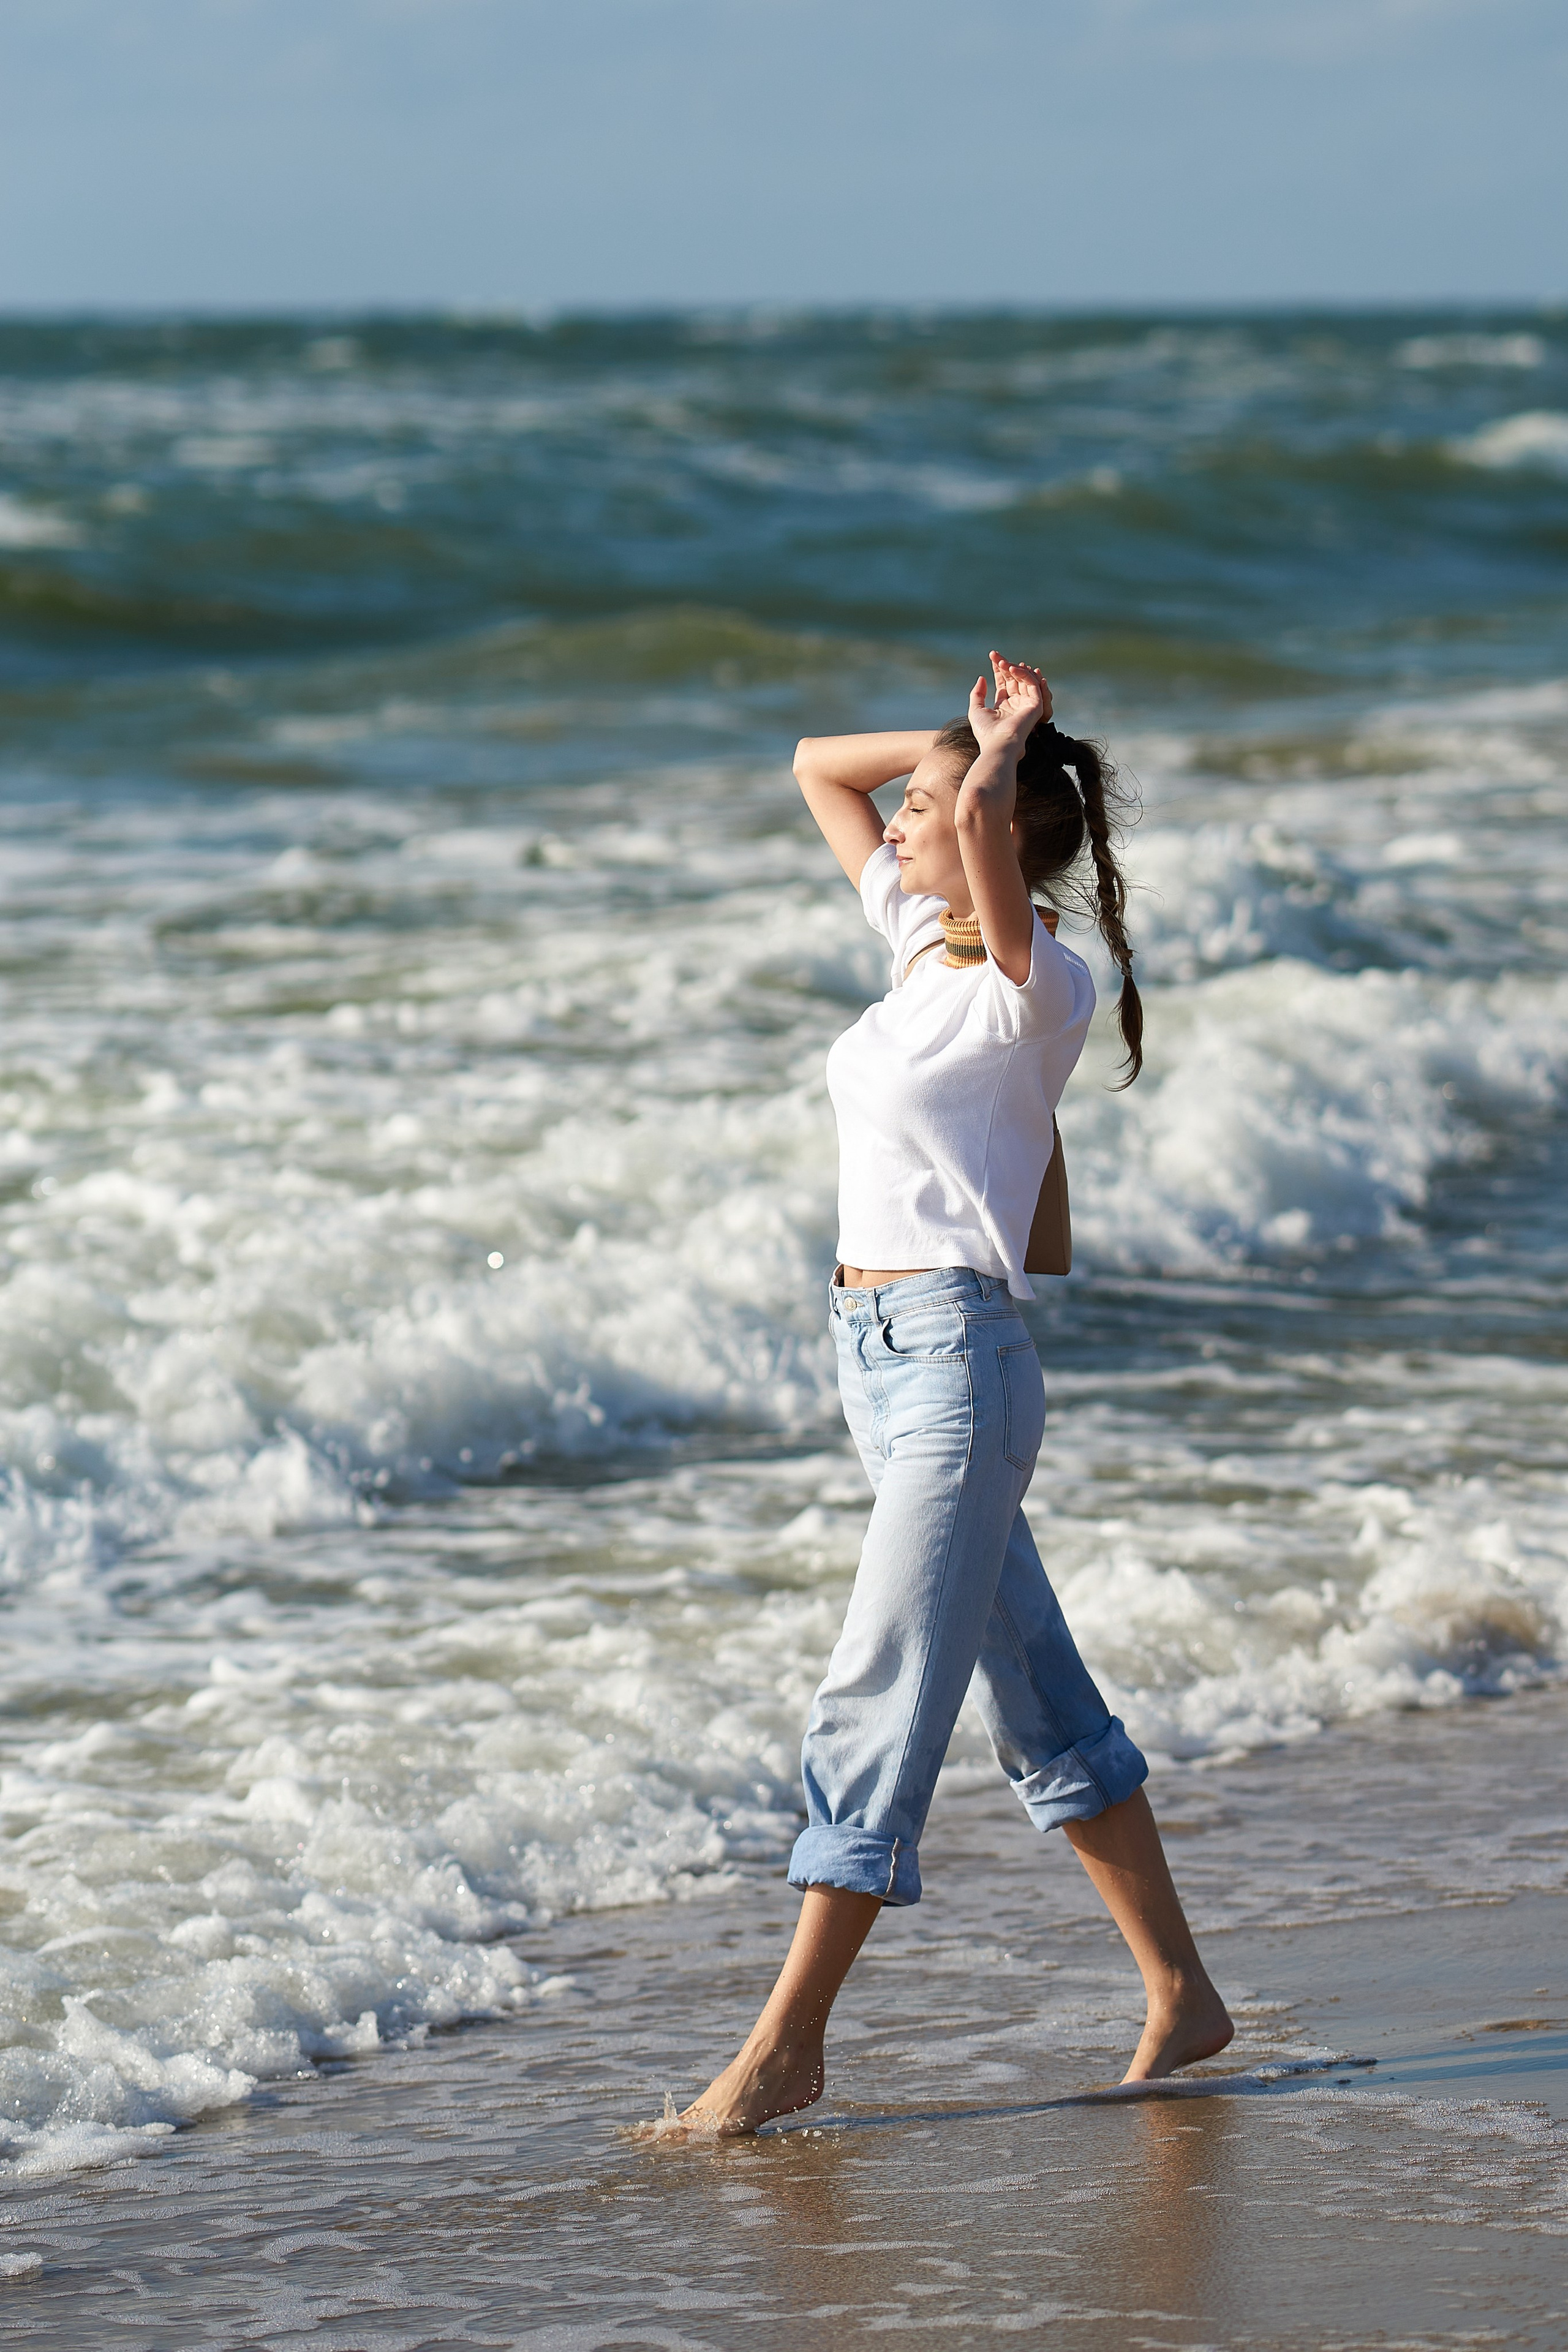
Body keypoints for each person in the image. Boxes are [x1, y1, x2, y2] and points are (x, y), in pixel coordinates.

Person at [676, 655, 1231, 2136]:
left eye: (924, 807)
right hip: (876, 1363)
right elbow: (813, 763)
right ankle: (1180, 1991)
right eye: (915, 803)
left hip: (953, 1369)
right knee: (1038, 1700)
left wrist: (988, 765)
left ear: (995, 836)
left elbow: (980, 838)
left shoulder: (1032, 985)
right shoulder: (918, 944)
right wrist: (964, 742)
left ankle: (785, 2044)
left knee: (882, 1694)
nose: (902, 819)